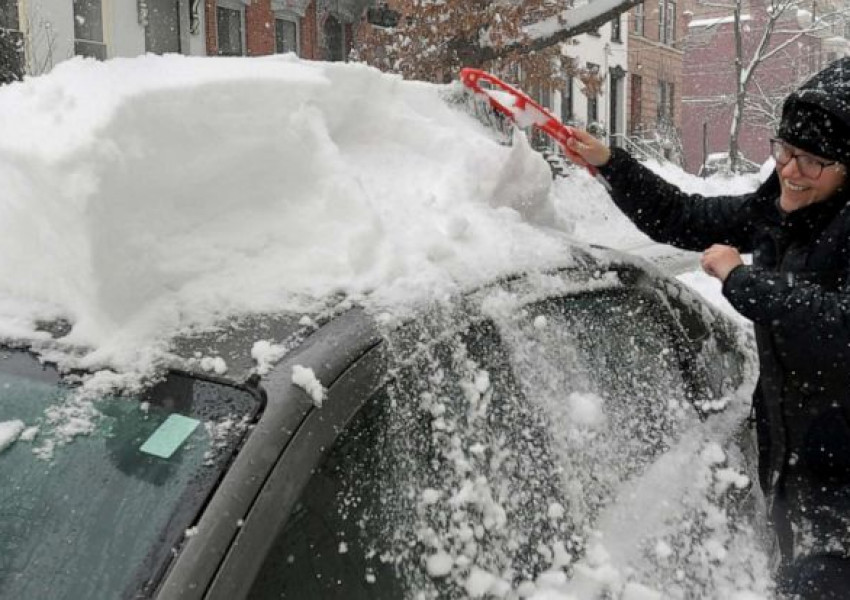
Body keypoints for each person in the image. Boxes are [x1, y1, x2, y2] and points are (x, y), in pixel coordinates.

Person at [565, 57, 850, 598]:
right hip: (795, 465)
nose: (790, 170)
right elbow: (685, 217)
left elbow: (840, 327)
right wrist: (609, 163)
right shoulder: (780, 208)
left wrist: (743, 282)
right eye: (785, 150)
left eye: (813, 161)